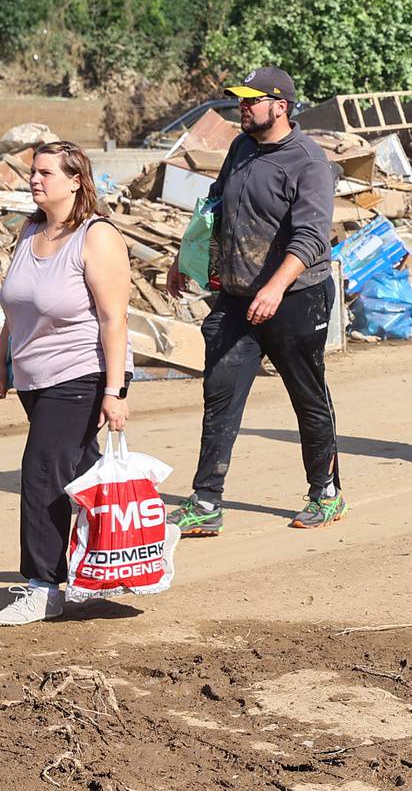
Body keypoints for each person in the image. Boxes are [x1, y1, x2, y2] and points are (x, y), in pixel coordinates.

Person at [165, 67, 345, 535]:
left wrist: (275, 287)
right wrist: (186, 258)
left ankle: (325, 494)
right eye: (240, 100)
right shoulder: (242, 148)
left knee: (307, 396)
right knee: (219, 396)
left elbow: (310, 239)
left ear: (280, 105)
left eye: (251, 101)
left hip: (296, 300)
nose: (242, 107)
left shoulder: (308, 162)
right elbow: (216, 204)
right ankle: (206, 501)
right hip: (237, 297)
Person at [0, 143, 132, 624]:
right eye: (33, 172)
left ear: (76, 180)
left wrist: (114, 392)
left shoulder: (96, 237)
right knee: (81, 475)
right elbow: (18, 305)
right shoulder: (31, 230)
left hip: (85, 372)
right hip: (36, 375)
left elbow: (114, 318)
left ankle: (42, 585)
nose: (35, 180)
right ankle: (100, 565)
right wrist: (3, 358)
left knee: (40, 471)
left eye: (45, 173)